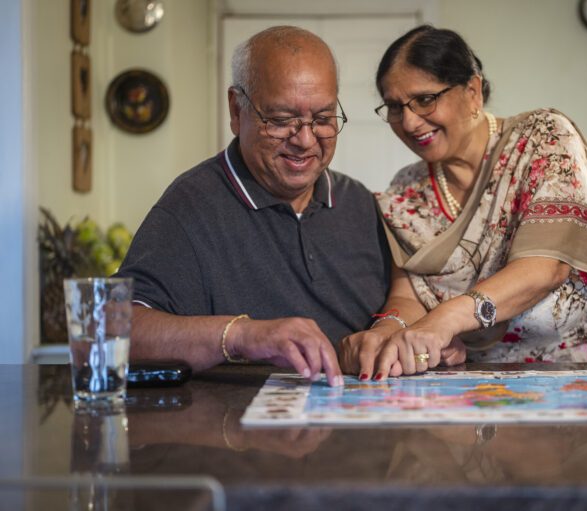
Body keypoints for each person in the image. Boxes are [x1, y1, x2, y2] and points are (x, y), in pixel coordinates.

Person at [339, 25, 587, 380]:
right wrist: (385, 334)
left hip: (577, 382)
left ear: (472, 92)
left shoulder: (542, 141)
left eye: (425, 99)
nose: (409, 122)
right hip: (471, 389)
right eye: (395, 107)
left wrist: (444, 320)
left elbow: (545, 268)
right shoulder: (405, 193)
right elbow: (408, 297)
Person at [116, 26, 391, 387]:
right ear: (236, 109)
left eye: (323, 119)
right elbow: (116, 330)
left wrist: (396, 331)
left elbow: (405, 300)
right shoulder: (191, 205)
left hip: (358, 414)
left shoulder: (359, 203)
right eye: (280, 120)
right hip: (235, 420)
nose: (305, 140)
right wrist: (241, 335)